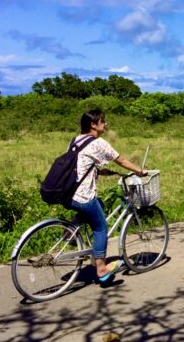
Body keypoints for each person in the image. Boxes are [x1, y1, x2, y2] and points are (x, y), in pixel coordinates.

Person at [70, 109, 148, 283]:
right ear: (93, 124)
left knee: (100, 206)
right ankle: (101, 270)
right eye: (103, 121)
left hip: (69, 193)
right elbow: (122, 160)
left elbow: (85, 165)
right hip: (84, 196)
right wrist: (140, 171)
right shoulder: (99, 143)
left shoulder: (76, 140)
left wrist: (108, 172)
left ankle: (70, 232)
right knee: (101, 228)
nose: (106, 124)